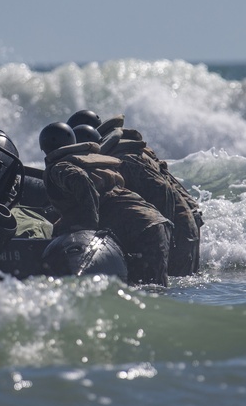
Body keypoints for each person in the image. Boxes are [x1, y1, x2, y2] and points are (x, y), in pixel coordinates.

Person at [69, 109, 203, 275]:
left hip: (181, 228)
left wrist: (167, 233)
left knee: (169, 289)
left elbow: (162, 191)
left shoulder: (124, 156)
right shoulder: (126, 148)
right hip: (186, 222)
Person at [39, 122, 171, 286]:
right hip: (154, 223)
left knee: (147, 294)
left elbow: (81, 181)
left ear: (43, 147)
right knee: (154, 291)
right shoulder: (85, 160)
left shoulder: (59, 167)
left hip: (140, 229)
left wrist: (87, 228)